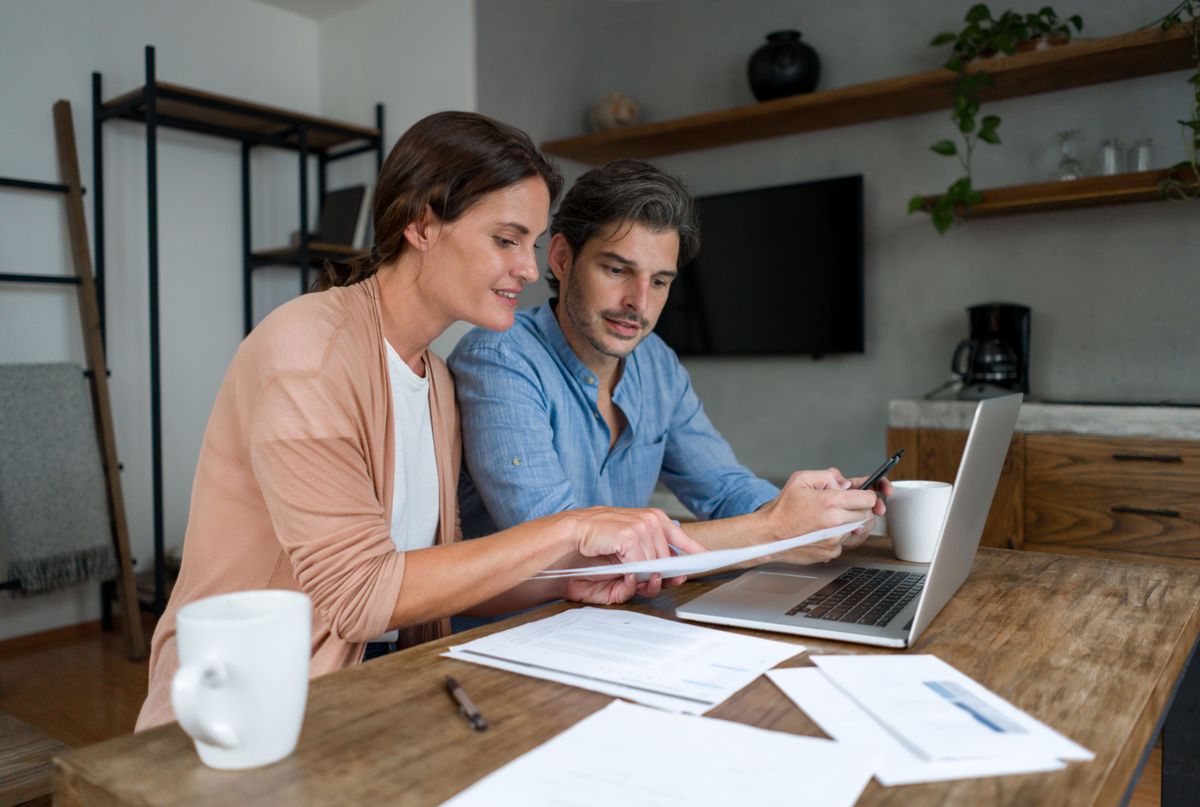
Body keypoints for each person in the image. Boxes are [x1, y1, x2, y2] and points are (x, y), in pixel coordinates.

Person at [136, 116, 703, 730]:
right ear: (424, 223)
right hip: (250, 716)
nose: (531, 270)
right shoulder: (307, 352)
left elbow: (439, 576)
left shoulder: (433, 378)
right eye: (507, 240)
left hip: (378, 698)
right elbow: (360, 597)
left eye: (533, 245)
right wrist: (573, 529)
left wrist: (562, 583)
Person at [448, 159, 888, 567]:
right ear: (562, 259)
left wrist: (818, 516)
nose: (638, 303)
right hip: (506, 636)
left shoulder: (656, 363)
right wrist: (772, 530)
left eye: (659, 281)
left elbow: (724, 489)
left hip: (619, 623)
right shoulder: (499, 358)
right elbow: (561, 549)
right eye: (617, 270)